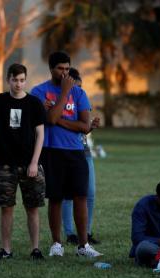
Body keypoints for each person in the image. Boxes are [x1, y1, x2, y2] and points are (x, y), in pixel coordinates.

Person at [31, 51, 102, 257]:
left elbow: (83, 126)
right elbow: (49, 120)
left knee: (81, 196)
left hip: (75, 151)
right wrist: (63, 93)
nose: (64, 73)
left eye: (67, 68)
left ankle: (83, 245)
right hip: (51, 151)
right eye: (60, 68)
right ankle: (56, 244)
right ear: (51, 69)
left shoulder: (79, 93)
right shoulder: (39, 91)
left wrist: (57, 117)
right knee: (56, 198)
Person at [0, 63, 46, 261]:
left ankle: (35, 249)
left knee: (33, 208)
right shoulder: (0, 100)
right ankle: (6, 250)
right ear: (8, 80)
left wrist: (34, 163)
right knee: (6, 208)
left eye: (22, 80)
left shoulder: (34, 103)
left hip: (30, 164)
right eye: (14, 80)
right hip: (5, 164)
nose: (18, 84)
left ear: (25, 80)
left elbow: (40, 134)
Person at [61, 67, 100, 245]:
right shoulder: (61, 102)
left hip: (84, 150)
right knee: (68, 195)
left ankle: (87, 231)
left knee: (89, 192)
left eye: (80, 87)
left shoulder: (82, 98)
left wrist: (90, 127)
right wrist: (81, 126)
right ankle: (70, 233)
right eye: (74, 87)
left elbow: (83, 129)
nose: (78, 91)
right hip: (66, 151)